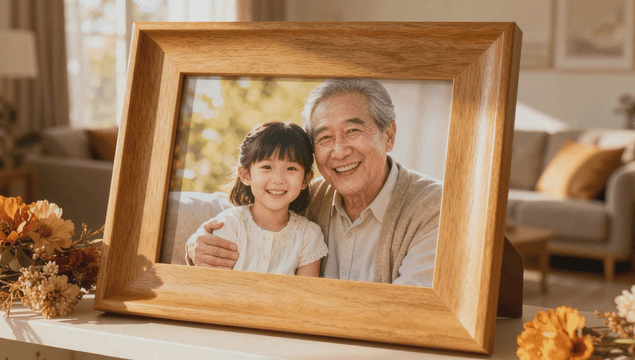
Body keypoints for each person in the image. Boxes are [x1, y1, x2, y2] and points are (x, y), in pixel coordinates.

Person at [186, 78, 442, 287]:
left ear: (388, 135)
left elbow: (410, 309)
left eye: (352, 131)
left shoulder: (434, 207)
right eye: (325, 138)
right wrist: (197, 244)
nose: (339, 151)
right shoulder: (304, 194)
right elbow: (251, 210)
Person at [185, 121, 328, 276]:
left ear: (306, 180)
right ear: (246, 175)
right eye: (267, 167)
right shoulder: (231, 225)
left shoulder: (309, 236)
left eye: (291, 168)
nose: (278, 179)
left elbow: (304, 295)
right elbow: (212, 286)